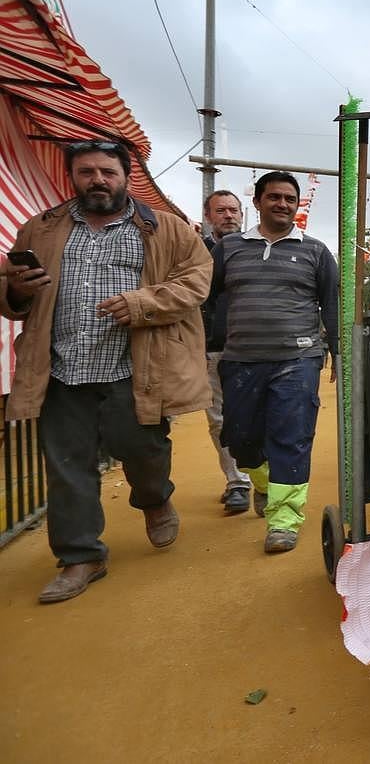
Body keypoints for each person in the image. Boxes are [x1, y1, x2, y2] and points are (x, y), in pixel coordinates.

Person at [0, 140, 212, 603]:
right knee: (66, 466)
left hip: (135, 368)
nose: (97, 180)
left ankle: (154, 499)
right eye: (86, 172)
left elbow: (196, 281)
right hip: (61, 369)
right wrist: (16, 289)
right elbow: (11, 296)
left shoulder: (168, 230)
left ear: (126, 176)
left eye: (107, 171)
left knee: (144, 450)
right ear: (72, 177)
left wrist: (141, 303)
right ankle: (80, 557)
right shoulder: (40, 229)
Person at [209, 171, 338, 554]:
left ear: (298, 206)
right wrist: (209, 341)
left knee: (291, 437)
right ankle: (262, 483)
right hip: (240, 360)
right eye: (275, 197)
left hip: (298, 358)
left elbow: (331, 305)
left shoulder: (315, 251)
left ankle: (284, 519)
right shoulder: (229, 249)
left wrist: (340, 356)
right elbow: (208, 298)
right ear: (258, 202)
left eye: (290, 199)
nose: (283, 204)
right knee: (241, 440)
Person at [200, 189, 256, 516]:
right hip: (211, 348)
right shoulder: (193, 252)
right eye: (221, 210)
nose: (229, 215)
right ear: (209, 216)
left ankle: (262, 478)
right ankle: (237, 481)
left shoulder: (253, 249)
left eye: (234, 210)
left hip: (253, 347)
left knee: (257, 414)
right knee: (218, 419)